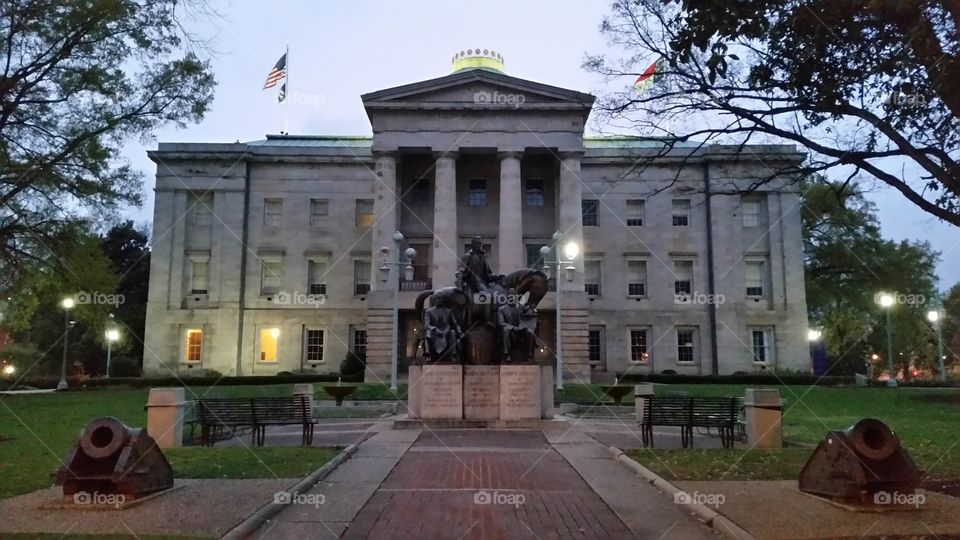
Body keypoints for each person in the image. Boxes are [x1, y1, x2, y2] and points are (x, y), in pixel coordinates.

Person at [496, 288, 536, 362]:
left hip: (521, 331)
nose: (512, 298)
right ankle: (506, 354)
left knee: (530, 332)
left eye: (513, 296)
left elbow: (530, 313)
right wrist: (513, 328)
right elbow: (501, 323)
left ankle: (529, 355)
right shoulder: (501, 309)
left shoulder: (521, 307)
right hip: (510, 331)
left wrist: (532, 310)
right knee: (506, 329)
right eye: (510, 296)